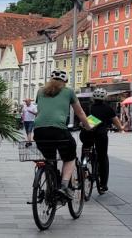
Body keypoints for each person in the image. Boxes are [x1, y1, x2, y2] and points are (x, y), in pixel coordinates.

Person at [33, 71, 91, 201]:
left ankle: (50, 189)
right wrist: (88, 127)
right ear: (64, 82)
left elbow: (40, 111)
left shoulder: (41, 91)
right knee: (70, 156)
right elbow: (80, 113)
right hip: (58, 130)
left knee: (49, 159)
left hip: (39, 131)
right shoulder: (68, 91)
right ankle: (64, 185)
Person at [79, 88, 123, 195]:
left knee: (85, 151)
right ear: (105, 98)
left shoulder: (88, 107)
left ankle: (82, 171)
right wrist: (120, 128)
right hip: (101, 135)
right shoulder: (108, 108)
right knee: (103, 158)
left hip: (87, 134)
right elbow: (116, 121)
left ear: (93, 98)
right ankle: (103, 185)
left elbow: (81, 120)